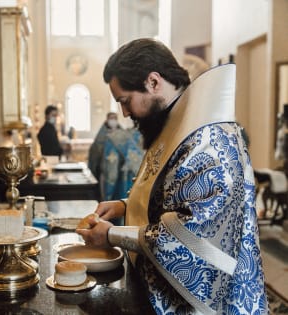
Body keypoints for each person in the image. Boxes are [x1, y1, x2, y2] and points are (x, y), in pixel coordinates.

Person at [76, 38, 268, 314]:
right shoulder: (173, 122)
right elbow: (171, 194)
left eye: (125, 100)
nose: (125, 112)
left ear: (153, 82)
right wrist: (126, 206)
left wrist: (113, 235)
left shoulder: (208, 140)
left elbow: (188, 236)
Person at [88, 112, 121, 197]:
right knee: (105, 194)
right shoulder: (101, 135)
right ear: (107, 120)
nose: (113, 120)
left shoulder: (122, 133)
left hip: (119, 170)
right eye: (111, 118)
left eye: (115, 118)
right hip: (104, 170)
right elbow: (95, 150)